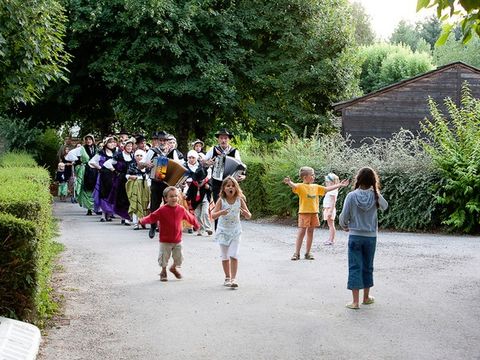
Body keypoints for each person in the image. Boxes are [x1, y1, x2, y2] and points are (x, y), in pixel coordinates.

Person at [339, 167, 388, 310]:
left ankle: (355, 302)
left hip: (355, 235)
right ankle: (366, 298)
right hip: (371, 237)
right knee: (368, 265)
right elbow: (385, 206)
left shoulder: (351, 196)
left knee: (355, 267)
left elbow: (343, 216)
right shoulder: (375, 196)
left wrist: (344, 225)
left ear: (358, 179)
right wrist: (376, 192)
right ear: (373, 180)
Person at [283, 166, 349, 261]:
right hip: (304, 213)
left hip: (314, 213)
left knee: (310, 232)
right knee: (301, 232)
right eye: (312, 175)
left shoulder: (316, 187)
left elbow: (327, 189)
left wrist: (339, 185)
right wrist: (289, 182)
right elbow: (294, 186)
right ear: (305, 177)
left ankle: (308, 253)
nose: (314, 176)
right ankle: (296, 253)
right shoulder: (301, 186)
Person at [139, 186, 199, 282]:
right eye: (171, 196)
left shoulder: (181, 209)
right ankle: (163, 271)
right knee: (163, 258)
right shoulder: (162, 210)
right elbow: (152, 217)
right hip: (165, 240)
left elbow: (190, 217)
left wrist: (196, 224)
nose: (174, 198)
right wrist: (142, 221)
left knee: (179, 258)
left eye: (176, 196)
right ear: (166, 199)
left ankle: (173, 268)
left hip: (177, 239)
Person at [211, 176, 251, 288]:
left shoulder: (240, 200)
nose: (230, 188)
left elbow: (249, 215)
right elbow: (213, 215)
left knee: (234, 255)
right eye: (228, 186)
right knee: (225, 256)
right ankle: (227, 277)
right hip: (223, 231)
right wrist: (220, 213)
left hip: (235, 231)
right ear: (223, 188)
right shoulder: (221, 200)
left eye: (233, 185)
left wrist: (246, 214)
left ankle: (233, 279)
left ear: (236, 188)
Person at [140, 130, 170, 238]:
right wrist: (146, 164)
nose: (162, 142)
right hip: (156, 181)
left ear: (167, 141)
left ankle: (167, 228)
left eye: (164, 140)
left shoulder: (173, 152)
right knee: (154, 205)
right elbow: (140, 165)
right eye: (160, 140)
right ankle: (153, 226)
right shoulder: (152, 151)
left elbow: (180, 165)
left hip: (168, 183)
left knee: (169, 206)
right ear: (157, 141)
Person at [104, 137, 136, 225]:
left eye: (130, 146)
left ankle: (127, 216)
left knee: (129, 198)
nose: (129, 148)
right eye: (128, 146)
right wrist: (115, 171)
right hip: (121, 180)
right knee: (122, 199)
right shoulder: (119, 155)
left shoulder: (133, 156)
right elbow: (107, 163)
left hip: (131, 179)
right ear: (124, 147)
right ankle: (124, 217)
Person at [66, 134, 98, 215]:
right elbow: (70, 154)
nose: (88, 141)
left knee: (95, 187)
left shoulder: (97, 149)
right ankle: (89, 209)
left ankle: (95, 207)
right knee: (86, 187)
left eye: (90, 139)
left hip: (95, 170)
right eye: (87, 139)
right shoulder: (81, 149)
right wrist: (79, 162)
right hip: (86, 170)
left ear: (93, 140)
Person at [184, 150, 213, 236]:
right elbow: (190, 190)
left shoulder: (207, 181)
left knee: (205, 213)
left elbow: (212, 188)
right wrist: (187, 196)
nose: (199, 182)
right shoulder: (194, 182)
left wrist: (209, 188)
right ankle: (201, 229)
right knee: (197, 215)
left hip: (204, 199)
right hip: (196, 200)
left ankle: (208, 228)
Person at [126, 149, 150, 230]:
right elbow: (127, 175)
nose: (139, 157)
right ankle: (136, 223)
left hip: (146, 186)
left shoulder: (148, 166)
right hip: (136, 186)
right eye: (137, 155)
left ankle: (143, 221)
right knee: (135, 202)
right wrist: (131, 177)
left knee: (145, 203)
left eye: (141, 155)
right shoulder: (132, 165)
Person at [323, 173, 340, 245]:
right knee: (330, 225)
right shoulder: (330, 190)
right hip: (327, 208)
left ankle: (331, 239)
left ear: (333, 182)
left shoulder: (333, 191)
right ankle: (330, 239)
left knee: (331, 225)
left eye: (327, 182)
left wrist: (330, 211)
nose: (326, 183)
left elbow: (333, 202)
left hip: (330, 209)